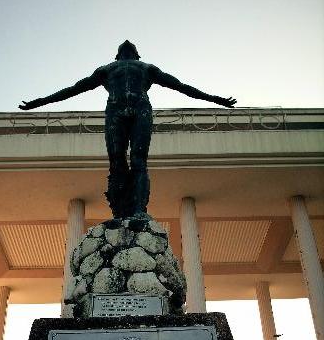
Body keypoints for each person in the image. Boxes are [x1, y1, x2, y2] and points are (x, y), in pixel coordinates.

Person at [19, 40, 236, 218]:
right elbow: (74, 90)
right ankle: (120, 212)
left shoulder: (143, 69)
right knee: (118, 162)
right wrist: (40, 102)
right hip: (118, 112)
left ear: (127, 55)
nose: (127, 46)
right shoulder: (110, 70)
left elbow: (181, 86)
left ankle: (139, 210)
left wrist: (214, 99)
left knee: (137, 161)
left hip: (138, 110)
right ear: (131, 55)